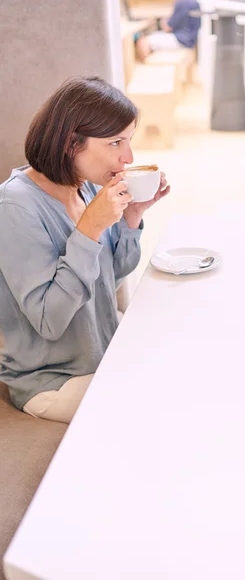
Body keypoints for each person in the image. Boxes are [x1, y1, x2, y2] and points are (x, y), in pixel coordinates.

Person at [0, 76, 170, 423]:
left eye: (129, 141)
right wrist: (89, 229)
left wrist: (131, 218)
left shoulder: (86, 188)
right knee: (163, 408)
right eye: (115, 142)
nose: (128, 157)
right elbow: (50, 320)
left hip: (105, 354)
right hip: (54, 380)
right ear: (71, 144)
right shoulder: (14, 207)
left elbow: (108, 277)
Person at [135, 0, 201, 61]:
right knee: (151, 37)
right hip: (189, 38)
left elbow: (167, 28)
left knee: (143, 42)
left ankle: (149, 67)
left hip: (181, 40)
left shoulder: (182, 2)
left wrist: (164, 21)